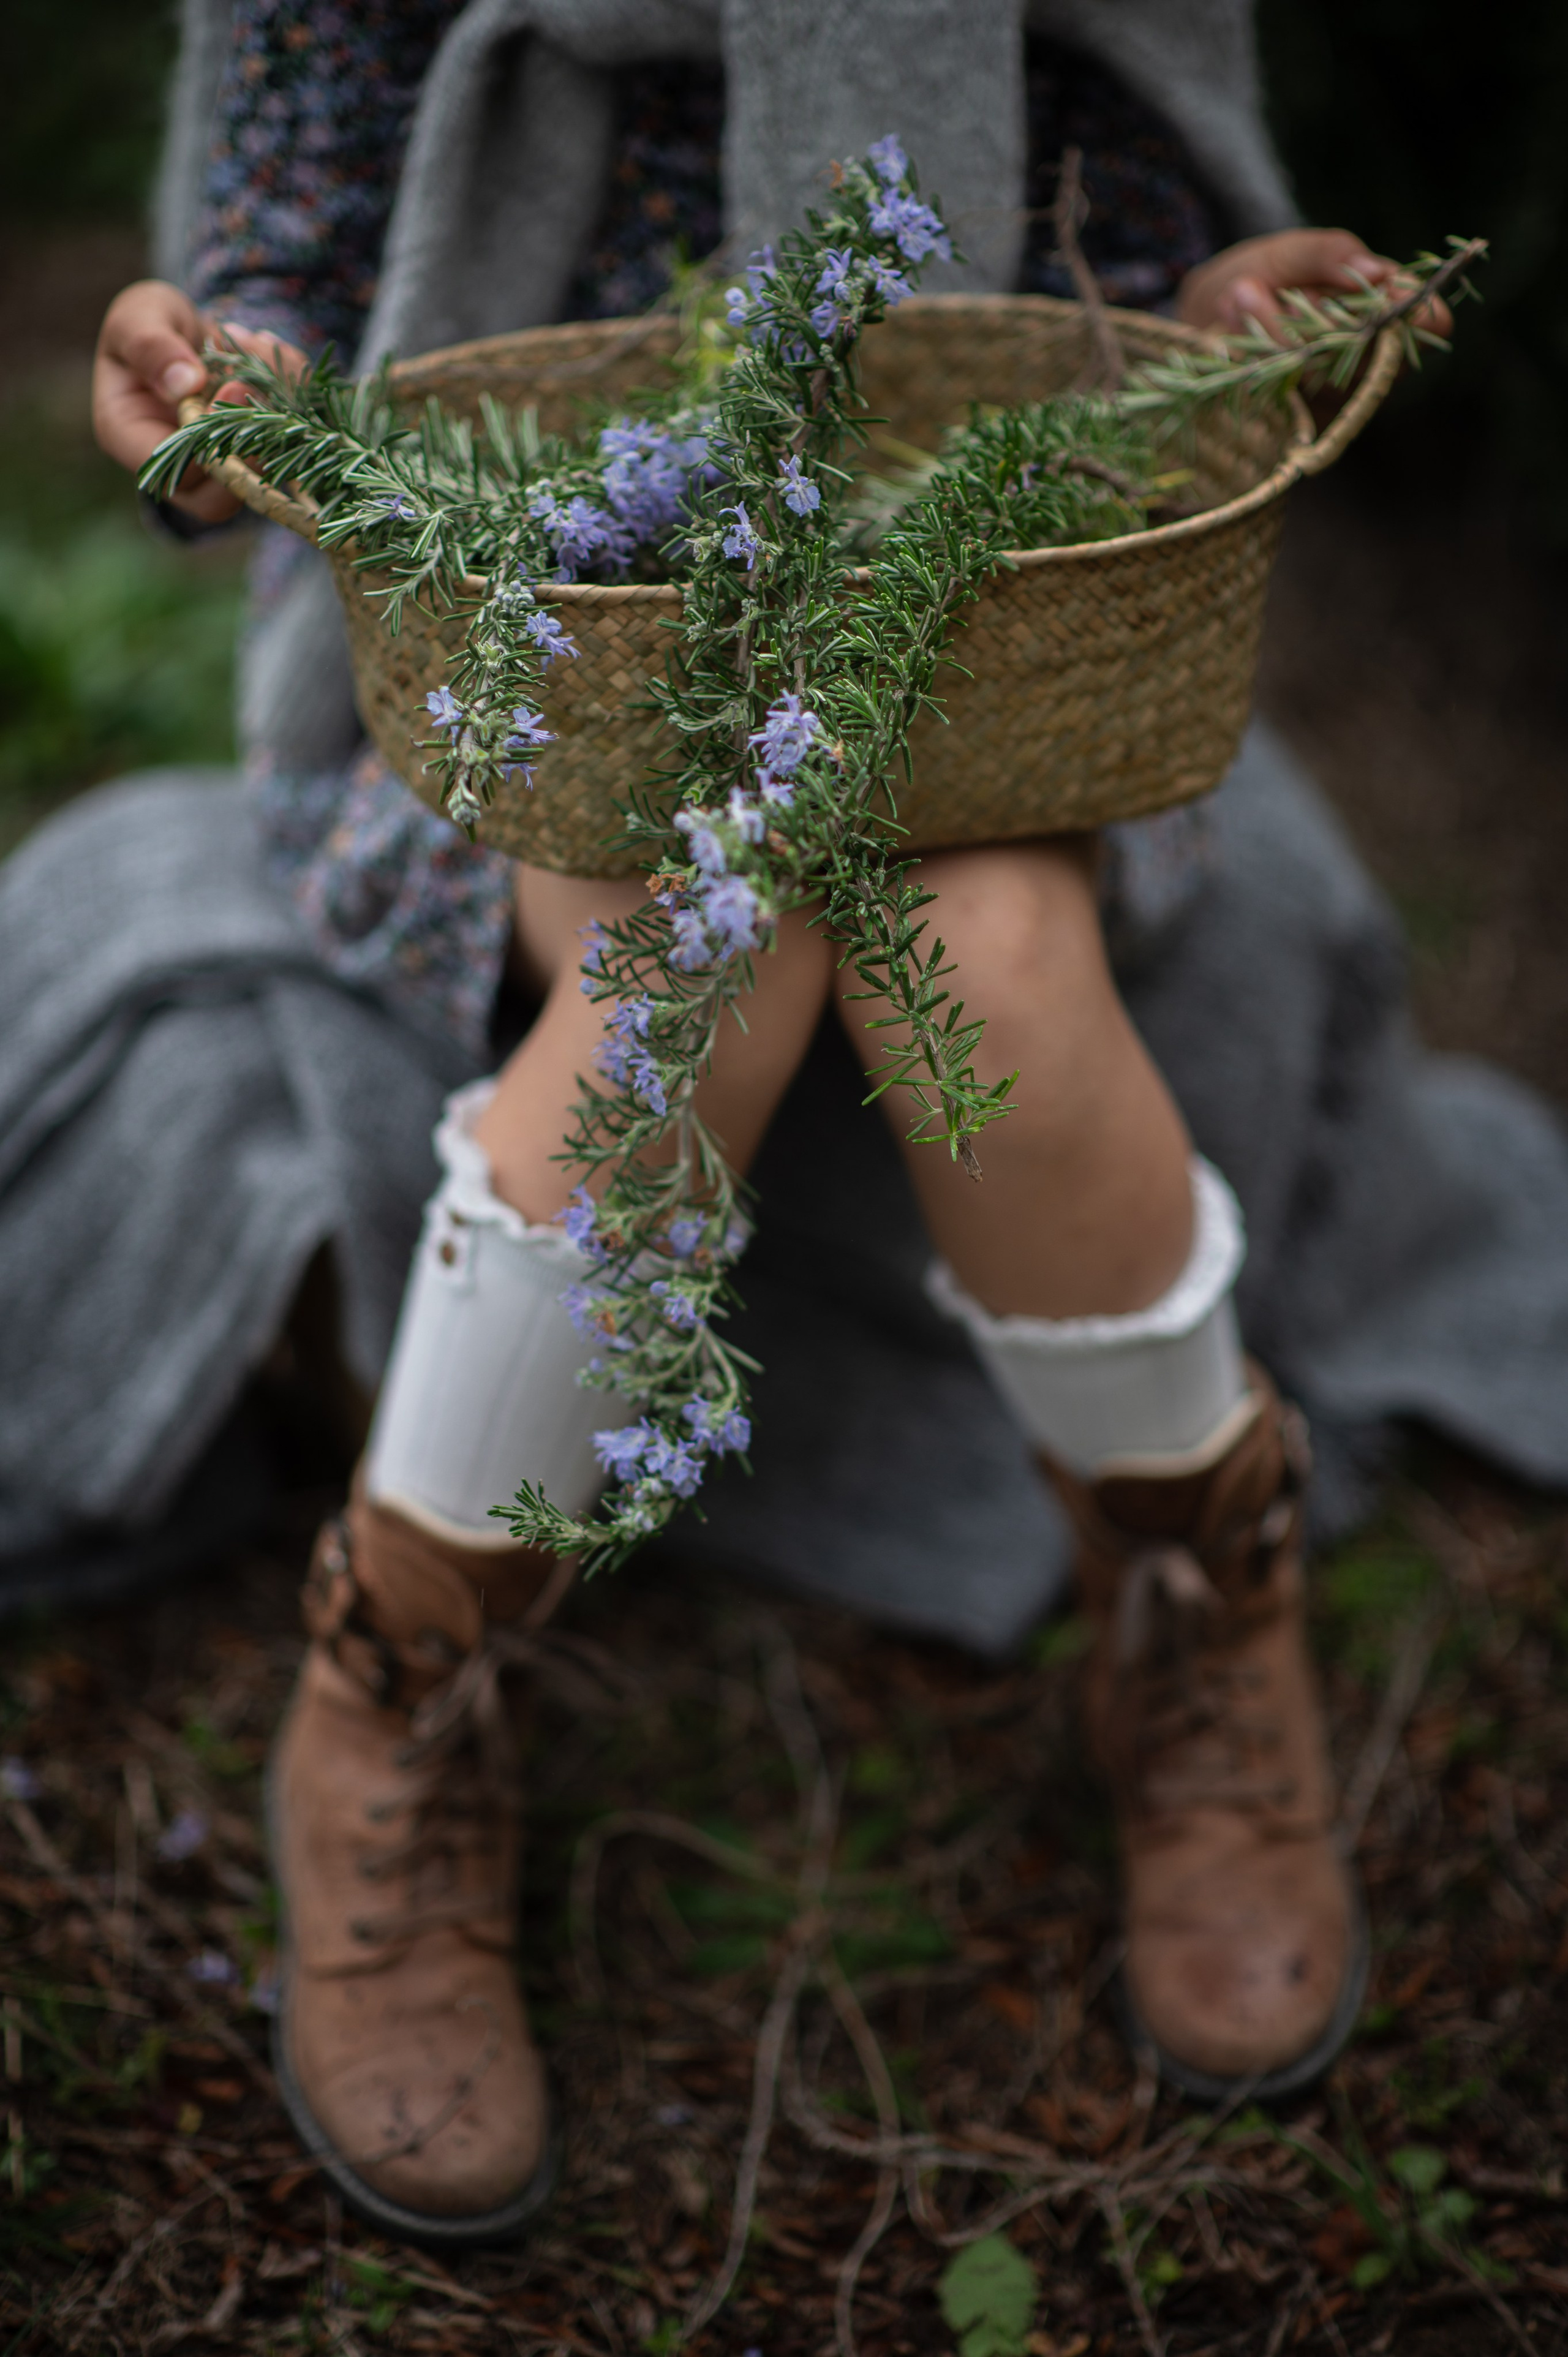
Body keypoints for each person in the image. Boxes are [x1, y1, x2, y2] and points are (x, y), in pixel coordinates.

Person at [59, 0, 1556, 2245]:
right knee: (710, 942)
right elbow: (282, 273)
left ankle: (1194, 1609)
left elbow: (1129, 252)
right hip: (539, 628)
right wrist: (216, 391)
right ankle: (400, 1686)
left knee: (1003, 984)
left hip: (989, 621)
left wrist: (1213, 329)